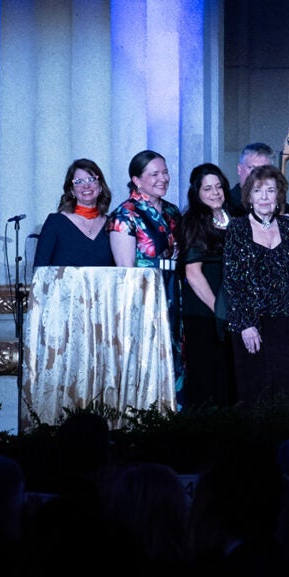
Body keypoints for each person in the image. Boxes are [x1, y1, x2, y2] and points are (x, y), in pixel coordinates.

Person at [108, 150, 185, 402]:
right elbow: (125, 270)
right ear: (137, 180)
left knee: (176, 357)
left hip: (174, 292)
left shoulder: (173, 211)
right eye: (154, 174)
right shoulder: (125, 214)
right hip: (143, 298)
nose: (163, 178)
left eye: (165, 172)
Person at [223, 164, 289, 410]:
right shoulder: (237, 228)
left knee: (285, 390)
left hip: (286, 320)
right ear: (249, 196)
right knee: (255, 391)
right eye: (258, 191)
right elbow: (233, 282)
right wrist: (246, 324)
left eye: (270, 190)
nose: (265, 197)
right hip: (250, 322)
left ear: (279, 195)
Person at [178, 162, 235, 409]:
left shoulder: (233, 217)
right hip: (204, 312)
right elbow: (193, 273)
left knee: (227, 378)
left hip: (228, 311)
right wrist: (218, 310)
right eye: (208, 189)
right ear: (197, 193)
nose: (215, 193)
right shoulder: (193, 222)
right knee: (206, 378)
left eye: (218, 187)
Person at [34, 159, 115, 267]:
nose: (86, 186)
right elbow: (40, 271)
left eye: (91, 179)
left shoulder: (113, 225)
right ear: (72, 190)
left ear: (100, 187)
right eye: (78, 181)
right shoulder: (55, 223)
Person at [229, 142, 289, 217]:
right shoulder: (227, 204)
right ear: (239, 169)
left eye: (263, 169)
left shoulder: (285, 209)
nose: (257, 174)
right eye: (252, 168)